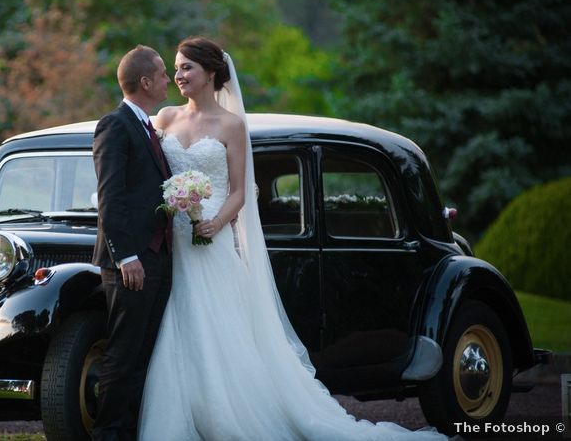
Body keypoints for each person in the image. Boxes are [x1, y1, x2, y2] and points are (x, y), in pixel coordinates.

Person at [138, 36, 446, 440]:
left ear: (210, 73)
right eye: (176, 68)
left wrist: (215, 223)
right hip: (173, 242)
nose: (178, 75)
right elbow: (151, 178)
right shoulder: (164, 119)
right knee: (175, 329)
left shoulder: (231, 125)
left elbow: (238, 192)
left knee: (215, 328)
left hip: (211, 242)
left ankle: (226, 416)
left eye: (186, 68)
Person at [92, 44, 174, 441]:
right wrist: (126, 256)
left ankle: (130, 431)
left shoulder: (148, 126)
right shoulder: (115, 124)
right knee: (123, 355)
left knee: (143, 354)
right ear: (145, 82)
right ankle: (108, 434)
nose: (168, 79)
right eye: (162, 74)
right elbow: (111, 198)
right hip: (130, 263)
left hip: (156, 258)